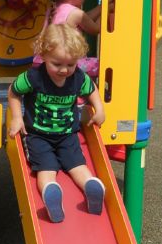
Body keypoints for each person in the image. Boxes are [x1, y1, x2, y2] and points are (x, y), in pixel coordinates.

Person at [8, 23, 106, 223]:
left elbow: (91, 89)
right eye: (57, 64)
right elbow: (14, 91)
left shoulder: (78, 77)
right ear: (43, 56)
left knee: (78, 165)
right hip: (38, 136)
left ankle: (91, 186)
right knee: (46, 169)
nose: (64, 70)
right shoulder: (34, 77)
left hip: (68, 134)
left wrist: (100, 108)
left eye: (70, 65)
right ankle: (51, 192)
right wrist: (17, 117)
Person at [32, 0, 101, 77]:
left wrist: (101, 8)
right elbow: (96, 29)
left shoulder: (53, 7)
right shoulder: (75, 14)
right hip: (67, 64)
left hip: (44, 61)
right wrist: (106, 12)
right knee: (101, 65)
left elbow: (85, 18)